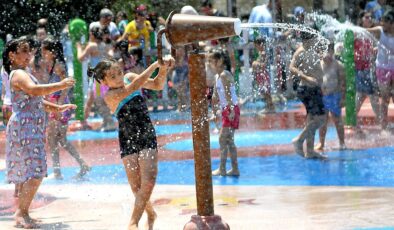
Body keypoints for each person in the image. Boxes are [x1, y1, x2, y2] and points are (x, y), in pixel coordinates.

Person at [89, 57, 174, 230]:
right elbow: (133, 88)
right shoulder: (109, 95)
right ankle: (150, 213)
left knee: (148, 181)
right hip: (127, 138)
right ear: (104, 81)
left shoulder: (130, 77)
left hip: (146, 133)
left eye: (119, 72)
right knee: (136, 187)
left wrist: (163, 68)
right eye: (112, 76)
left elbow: (157, 85)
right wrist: (154, 65)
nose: (119, 77)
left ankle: (133, 222)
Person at [3, 37, 75, 229]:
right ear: (12, 55)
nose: (28, 55)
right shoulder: (18, 73)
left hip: (30, 127)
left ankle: (23, 213)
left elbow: (36, 101)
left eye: (29, 51)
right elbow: (34, 91)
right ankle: (21, 213)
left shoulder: (24, 73)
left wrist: (56, 108)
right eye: (24, 51)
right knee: (35, 172)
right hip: (24, 128)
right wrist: (61, 85)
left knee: (32, 171)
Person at [41, 38, 91, 179]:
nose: (42, 54)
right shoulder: (52, 65)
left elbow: (67, 85)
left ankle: (60, 172)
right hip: (57, 105)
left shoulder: (58, 65)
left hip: (59, 105)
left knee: (55, 139)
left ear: (52, 52)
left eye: (44, 51)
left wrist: (59, 107)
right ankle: (79, 166)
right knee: (58, 139)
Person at [289, 31, 327, 159]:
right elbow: (291, 68)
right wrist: (307, 78)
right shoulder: (301, 51)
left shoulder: (311, 49)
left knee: (312, 120)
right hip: (308, 88)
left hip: (314, 89)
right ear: (307, 40)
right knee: (321, 118)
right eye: (314, 38)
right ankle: (299, 140)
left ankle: (309, 151)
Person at [77, 25, 116, 131]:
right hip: (104, 78)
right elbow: (111, 57)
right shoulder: (105, 45)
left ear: (92, 35)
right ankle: (84, 121)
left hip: (96, 79)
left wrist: (79, 48)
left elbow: (81, 58)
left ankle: (109, 122)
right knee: (93, 100)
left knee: (98, 101)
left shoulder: (92, 46)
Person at [209, 49, 240, 176]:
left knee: (223, 139)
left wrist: (231, 110)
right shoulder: (218, 77)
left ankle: (222, 169)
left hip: (231, 108)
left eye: (212, 61)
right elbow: (215, 97)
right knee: (229, 141)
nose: (210, 64)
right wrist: (214, 113)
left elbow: (227, 93)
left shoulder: (224, 75)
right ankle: (235, 169)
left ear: (220, 61)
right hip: (228, 109)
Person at [366, 10, 394, 132]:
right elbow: (364, 32)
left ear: (391, 23)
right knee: (385, 98)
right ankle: (384, 127)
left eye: (384, 22)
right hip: (382, 69)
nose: (382, 24)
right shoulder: (379, 30)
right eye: (381, 22)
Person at [315, 43, 346, 151]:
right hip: (322, 97)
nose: (326, 54)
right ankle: (321, 143)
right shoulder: (318, 65)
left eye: (329, 51)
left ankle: (342, 142)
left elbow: (343, 83)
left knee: (337, 120)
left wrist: (343, 98)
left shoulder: (338, 65)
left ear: (333, 52)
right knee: (322, 121)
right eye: (323, 51)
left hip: (335, 96)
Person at [355, 11, 381, 124]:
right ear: (361, 19)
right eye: (367, 17)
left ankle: (351, 120)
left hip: (369, 68)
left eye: (371, 17)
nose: (369, 19)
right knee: (371, 95)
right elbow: (346, 47)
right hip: (361, 69)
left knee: (362, 95)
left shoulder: (374, 33)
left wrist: (376, 50)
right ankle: (382, 122)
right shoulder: (356, 32)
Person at [252, 37, 275, 113]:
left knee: (266, 92)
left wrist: (255, 63)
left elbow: (264, 65)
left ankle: (270, 107)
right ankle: (269, 106)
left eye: (256, 46)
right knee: (264, 92)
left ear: (261, 44)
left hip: (263, 75)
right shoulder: (261, 53)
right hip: (261, 75)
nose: (255, 47)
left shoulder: (263, 53)